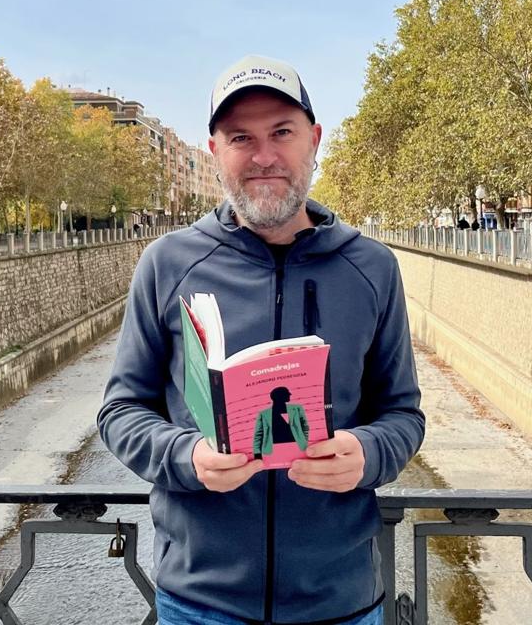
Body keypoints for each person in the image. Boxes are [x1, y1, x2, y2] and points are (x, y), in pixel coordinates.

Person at [98, 54, 425, 625]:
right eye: (240, 137)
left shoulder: (373, 268)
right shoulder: (167, 263)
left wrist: (367, 454)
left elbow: (403, 415)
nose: (264, 156)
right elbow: (120, 411)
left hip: (341, 602)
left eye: (282, 132)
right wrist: (187, 456)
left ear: (314, 140)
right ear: (214, 151)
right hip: (200, 603)